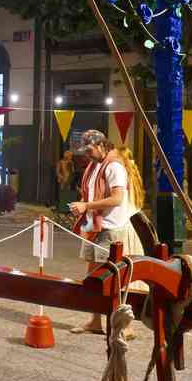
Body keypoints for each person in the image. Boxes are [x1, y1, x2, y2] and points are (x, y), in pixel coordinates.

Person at [69, 129, 130, 334]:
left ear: (102, 145)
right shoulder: (94, 165)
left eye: (89, 149)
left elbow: (117, 198)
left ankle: (123, 327)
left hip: (110, 228)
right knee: (94, 277)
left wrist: (87, 206)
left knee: (113, 278)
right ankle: (95, 321)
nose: (87, 154)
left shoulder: (114, 166)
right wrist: (85, 207)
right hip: (95, 227)